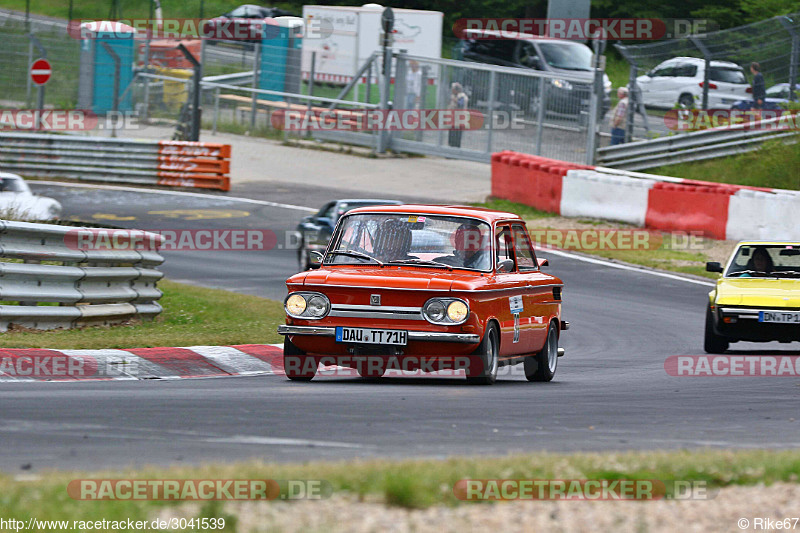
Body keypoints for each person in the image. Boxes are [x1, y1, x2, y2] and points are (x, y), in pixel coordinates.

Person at [448, 82, 468, 148]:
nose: (452, 90)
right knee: (451, 136)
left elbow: (461, 104)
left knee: (457, 136)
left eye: (453, 89)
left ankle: (456, 151)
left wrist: (455, 100)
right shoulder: (453, 95)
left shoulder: (462, 96)